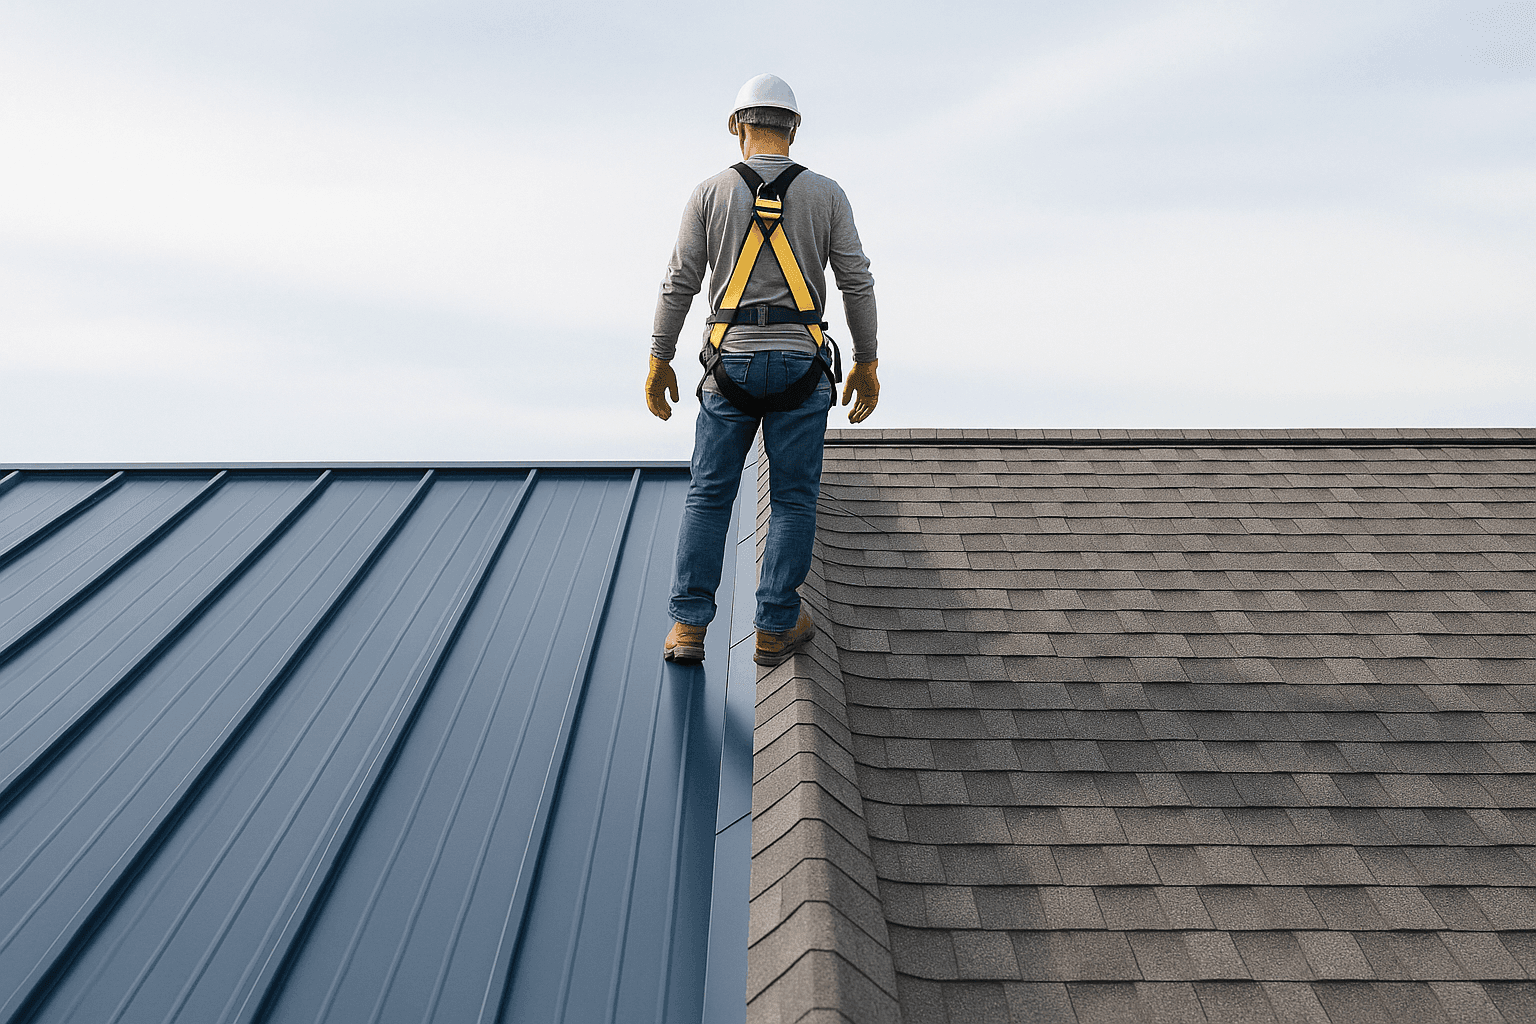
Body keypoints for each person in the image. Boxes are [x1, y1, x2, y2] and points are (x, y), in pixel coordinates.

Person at [645, 73, 880, 668]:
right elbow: (856, 281)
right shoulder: (826, 193)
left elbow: (680, 280)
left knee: (710, 495)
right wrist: (867, 361)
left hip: (731, 364)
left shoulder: (709, 193)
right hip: (802, 364)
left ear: (736, 126)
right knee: (794, 499)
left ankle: (688, 627)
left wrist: (660, 355)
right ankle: (775, 625)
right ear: (794, 128)